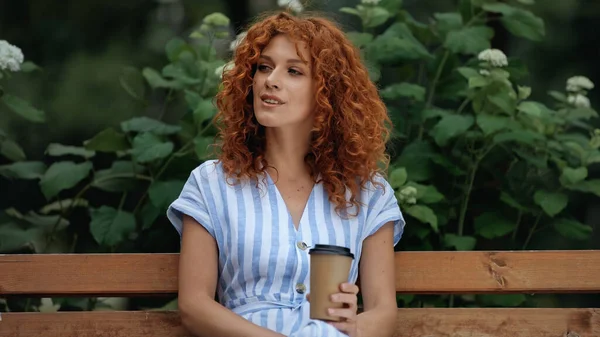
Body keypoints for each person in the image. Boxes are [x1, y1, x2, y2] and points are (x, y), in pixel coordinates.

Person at [166, 10, 406, 337]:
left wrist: (353, 326)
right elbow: (195, 307)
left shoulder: (368, 193)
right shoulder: (211, 184)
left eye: (293, 71)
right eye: (264, 67)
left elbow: (383, 314)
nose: (271, 80)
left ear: (327, 92)